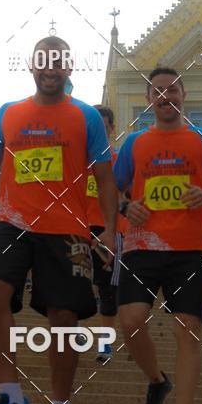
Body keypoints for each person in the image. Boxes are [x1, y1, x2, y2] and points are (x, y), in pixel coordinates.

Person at [0, 35, 118, 404]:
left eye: (59, 62)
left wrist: (107, 228)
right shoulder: (10, 113)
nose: (51, 69)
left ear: (69, 68)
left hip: (67, 226)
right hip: (13, 221)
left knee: (64, 318)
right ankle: (11, 399)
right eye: (43, 62)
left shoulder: (85, 117)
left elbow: (105, 179)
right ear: (32, 67)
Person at [114, 67, 202, 404]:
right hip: (141, 245)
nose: (166, 96)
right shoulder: (133, 144)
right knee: (130, 321)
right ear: (149, 99)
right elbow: (110, 191)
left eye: (173, 89)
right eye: (158, 91)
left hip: (190, 247)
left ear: (184, 94)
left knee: (188, 327)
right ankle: (156, 382)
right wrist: (126, 205)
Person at [85, 105, 126, 363]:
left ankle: (105, 344)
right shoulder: (75, 160)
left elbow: (125, 196)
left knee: (108, 289)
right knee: (71, 286)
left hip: (109, 232)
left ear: (111, 128)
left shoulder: (118, 160)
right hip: (75, 230)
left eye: (103, 125)